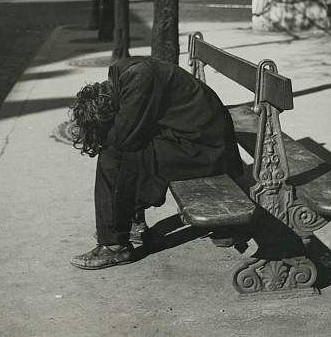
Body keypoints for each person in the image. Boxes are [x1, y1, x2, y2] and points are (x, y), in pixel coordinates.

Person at [69, 56, 243, 270]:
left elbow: (124, 138)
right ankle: (126, 223)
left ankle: (114, 245)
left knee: (113, 153)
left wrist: (105, 134)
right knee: (128, 150)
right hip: (200, 139)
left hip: (207, 151)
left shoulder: (138, 78)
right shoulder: (124, 75)